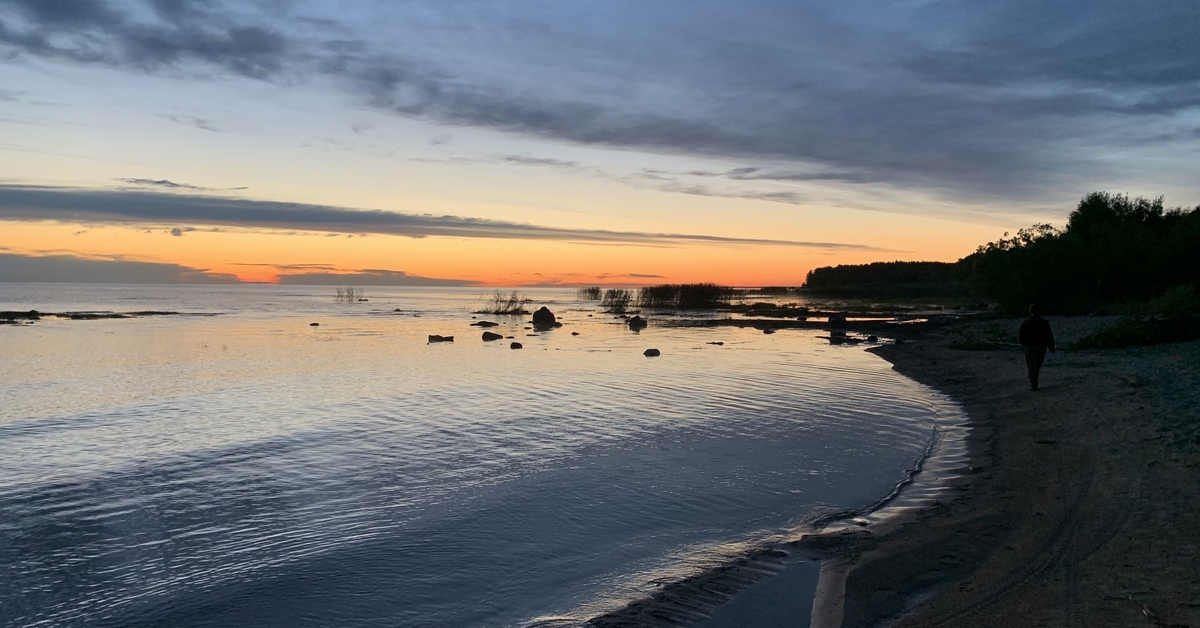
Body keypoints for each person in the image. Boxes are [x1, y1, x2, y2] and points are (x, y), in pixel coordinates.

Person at [1018, 304, 1055, 391]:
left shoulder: (1026, 323)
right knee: (1037, 365)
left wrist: (1024, 344)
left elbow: (1021, 336)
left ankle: (1033, 384)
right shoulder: (1044, 323)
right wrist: (1051, 346)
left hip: (1030, 346)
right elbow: (1049, 335)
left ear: (1030, 312)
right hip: (1041, 346)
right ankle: (1034, 382)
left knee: (1031, 367)